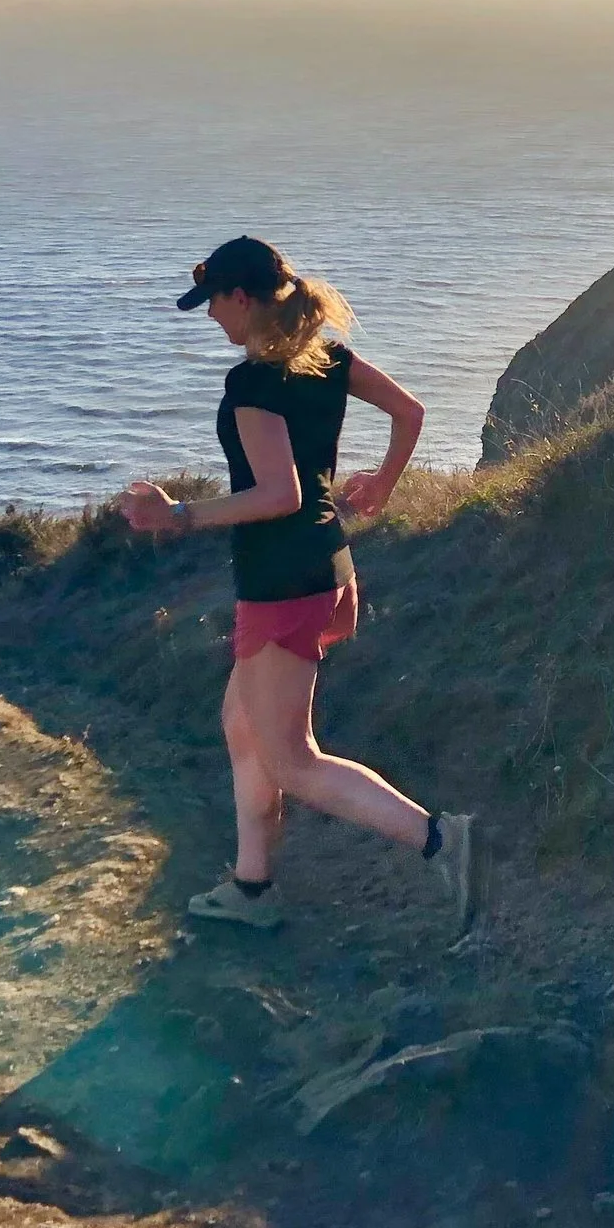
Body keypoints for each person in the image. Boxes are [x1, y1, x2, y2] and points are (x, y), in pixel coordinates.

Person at [120, 235, 480, 940]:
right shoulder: (327, 359)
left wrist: (177, 515)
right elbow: (411, 412)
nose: (210, 316)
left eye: (213, 303)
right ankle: (251, 886)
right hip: (325, 567)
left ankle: (441, 839)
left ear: (241, 297)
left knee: (293, 759)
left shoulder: (253, 384)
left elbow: (278, 494)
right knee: (242, 725)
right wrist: (384, 483)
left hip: (282, 582)